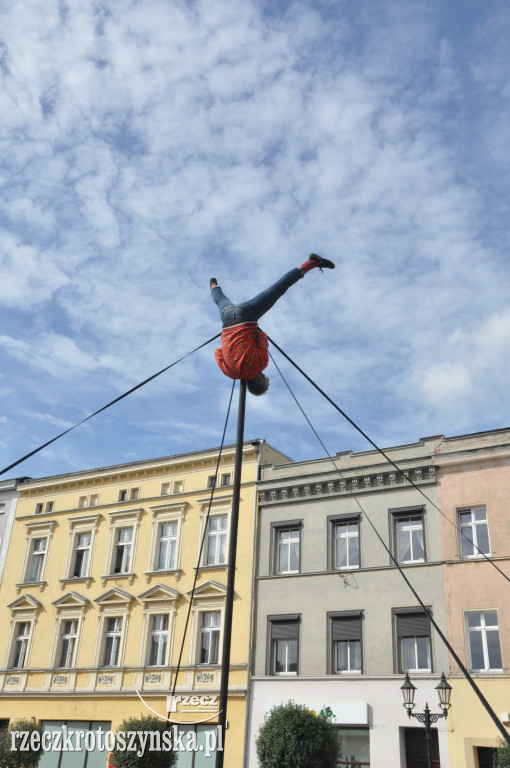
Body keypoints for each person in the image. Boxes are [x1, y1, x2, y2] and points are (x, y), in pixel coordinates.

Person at [210, 253, 335, 395]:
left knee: (279, 288)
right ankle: (213, 285)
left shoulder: (260, 364)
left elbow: (262, 337)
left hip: (247, 317)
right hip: (227, 320)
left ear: (259, 378)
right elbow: (218, 352)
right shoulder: (230, 373)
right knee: (220, 301)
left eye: (263, 376)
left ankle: (312, 263)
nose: (262, 373)